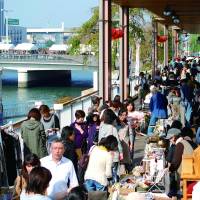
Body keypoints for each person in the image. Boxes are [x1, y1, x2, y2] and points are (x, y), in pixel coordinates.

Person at [98, 108, 123, 183]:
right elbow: (118, 142)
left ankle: (108, 189)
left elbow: (99, 140)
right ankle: (114, 189)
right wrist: (121, 152)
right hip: (113, 154)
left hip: (104, 154)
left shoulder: (101, 127)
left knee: (107, 174)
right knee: (114, 173)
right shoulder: (113, 128)